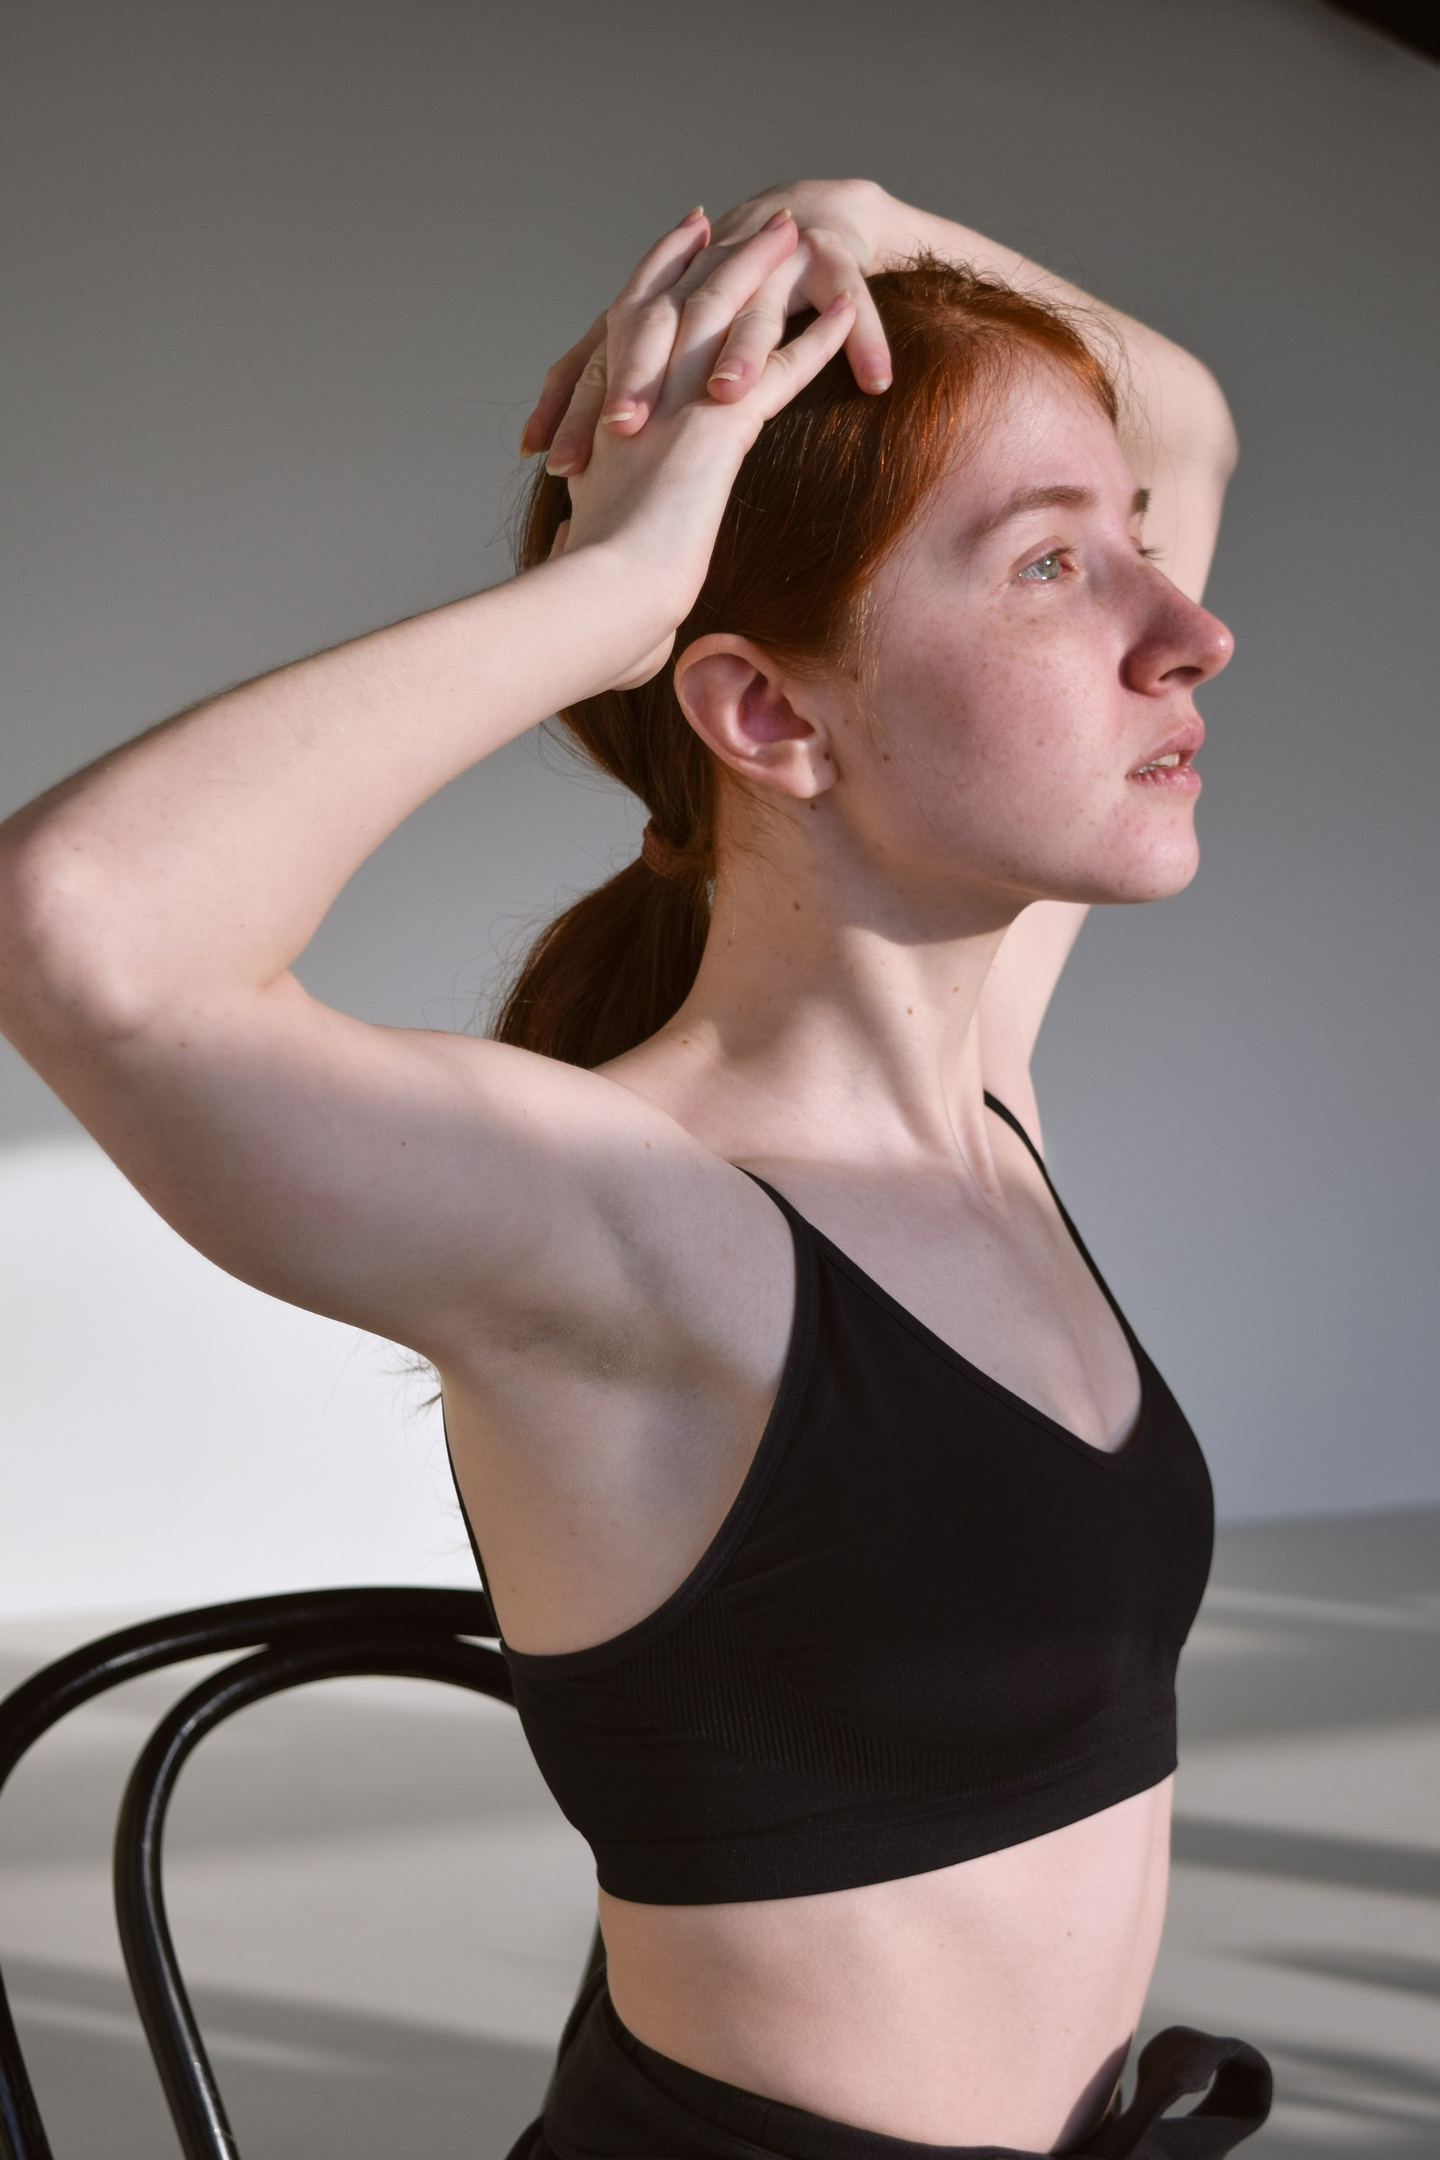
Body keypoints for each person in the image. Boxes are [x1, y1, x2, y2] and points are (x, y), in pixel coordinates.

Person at [0, 180, 1272, 2156]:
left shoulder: (972, 1086)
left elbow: (1184, 420)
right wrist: (614, 594)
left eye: (1133, 549)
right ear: (766, 707)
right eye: (1049, 565)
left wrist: (854, 222)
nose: (1189, 631)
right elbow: (85, 929)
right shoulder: (642, 1225)